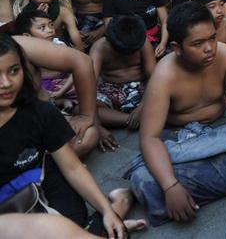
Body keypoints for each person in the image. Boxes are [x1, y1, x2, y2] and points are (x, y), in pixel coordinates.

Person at [125, 2, 226, 226]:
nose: (209, 48)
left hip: (224, 130)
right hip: (182, 142)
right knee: (148, 182)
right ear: (177, 47)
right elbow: (149, 137)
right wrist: (170, 185)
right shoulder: (164, 76)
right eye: (198, 43)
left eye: (212, 38)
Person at [0, 34, 144, 238]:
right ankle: (120, 205)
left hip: (46, 190)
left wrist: (106, 210)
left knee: (70, 228)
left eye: (14, 71)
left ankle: (111, 213)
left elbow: (73, 167)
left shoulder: (40, 113)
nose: (6, 83)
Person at [90, 15, 156, 131]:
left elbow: (154, 78)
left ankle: (140, 117)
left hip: (142, 89)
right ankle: (136, 119)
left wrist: (142, 107)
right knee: (84, 108)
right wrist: (97, 126)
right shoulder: (99, 48)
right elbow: (89, 86)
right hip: (110, 89)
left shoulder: (143, 42)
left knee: (167, 95)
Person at [14, 0, 84, 51]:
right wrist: (37, 16)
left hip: (60, 50)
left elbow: (79, 46)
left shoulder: (63, 12)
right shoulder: (23, 12)